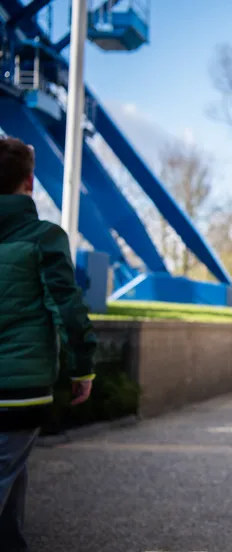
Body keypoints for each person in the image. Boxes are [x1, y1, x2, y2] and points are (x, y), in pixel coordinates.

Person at [0, 136, 97, 550]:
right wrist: (82, 368)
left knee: (12, 479)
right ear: (29, 182)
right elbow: (66, 307)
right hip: (19, 390)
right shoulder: (43, 238)